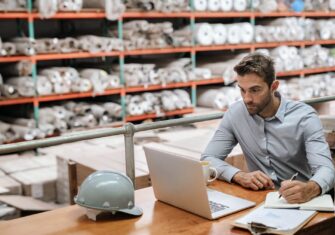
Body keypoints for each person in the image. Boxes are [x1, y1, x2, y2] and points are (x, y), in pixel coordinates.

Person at [201, 52, 335, 203]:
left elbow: (327, 170)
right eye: (242, 90)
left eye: (255, 90)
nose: (247, 99)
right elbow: (208, 158)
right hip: (258, 199)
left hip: (302, 202)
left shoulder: (305, 117)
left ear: (274, 86)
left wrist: (310, 188)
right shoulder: (235, 114)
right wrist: (239, 175)